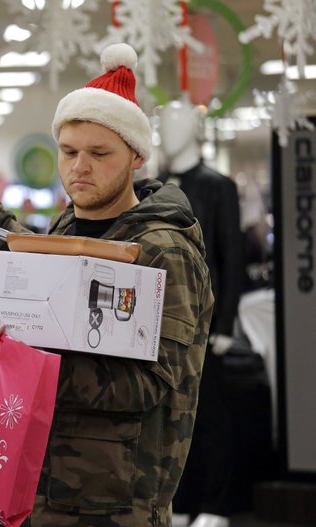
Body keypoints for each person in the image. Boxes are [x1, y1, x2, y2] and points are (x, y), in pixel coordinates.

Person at [0, 43, 214, 527]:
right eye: (68, 151)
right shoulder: (71, 227)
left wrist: (22, 365)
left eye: (99, 153)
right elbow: (40, 267)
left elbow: (147, 386)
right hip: (29, 482)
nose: (79, 166)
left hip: (108, 502)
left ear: (135, 158)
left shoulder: (161, 250)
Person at [157, 99, 245, 527]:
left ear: (193, 129)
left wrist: (225, 323)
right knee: (172, 415)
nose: (170, 132)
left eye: (178, 123)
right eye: (165, 124)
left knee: (210, 415)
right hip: (165, 324)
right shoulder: (153, 186)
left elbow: (232, 256)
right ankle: (184, 499)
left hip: (206, 325)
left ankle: (216, 503)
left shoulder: (217, 186)